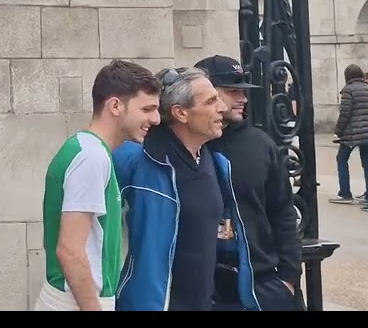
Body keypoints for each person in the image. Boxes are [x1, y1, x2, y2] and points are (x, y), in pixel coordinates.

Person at [113, 67, 261, 311]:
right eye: (211, 101)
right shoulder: (136, 160)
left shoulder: (215, 163)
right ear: (181, 112)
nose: (222, 108)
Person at [37, 59, 161, 311]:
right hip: (77, 302)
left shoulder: (90, 151)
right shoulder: (91, 156)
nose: (156, 119)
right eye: (147, 109)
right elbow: (70, 250)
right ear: (115, 106)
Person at [195, 55, 302, 311]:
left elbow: (283, 211)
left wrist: (288, 277)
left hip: (261, 284)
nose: (242, 98)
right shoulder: (185, 145)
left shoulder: (260, 144)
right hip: (204, 288)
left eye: (243, 90)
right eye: (232, 91)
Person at [330, 64, 368, 206]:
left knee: (341, 159)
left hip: (352, 133)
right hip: (367, 132)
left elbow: (345, 114)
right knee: (367, 163)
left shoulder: (348, 90)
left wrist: (338, 131)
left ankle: (345, 193)